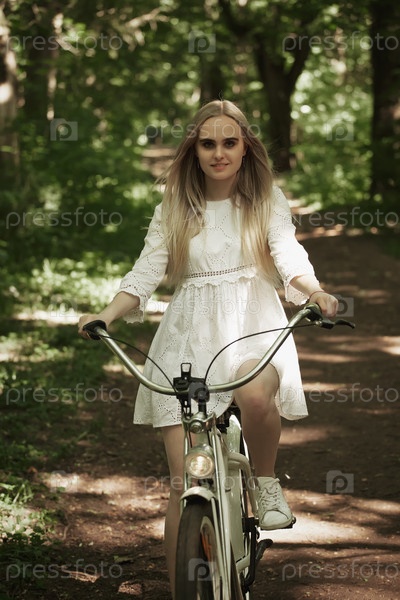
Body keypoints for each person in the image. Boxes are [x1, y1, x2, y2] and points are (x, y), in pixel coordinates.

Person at [78, 100, 338, 595]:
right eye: (208, 143)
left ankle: (265, 483)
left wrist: (315, 291)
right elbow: (147, 270)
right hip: (188, 337)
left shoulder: (265, 200)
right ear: (194, 151)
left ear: (245, 149)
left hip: (251, 327)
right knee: (182, 484)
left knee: (257, 395)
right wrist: (106, 315)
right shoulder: (174, 207)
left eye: (229, 142)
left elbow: (287, 254)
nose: (219, 153)